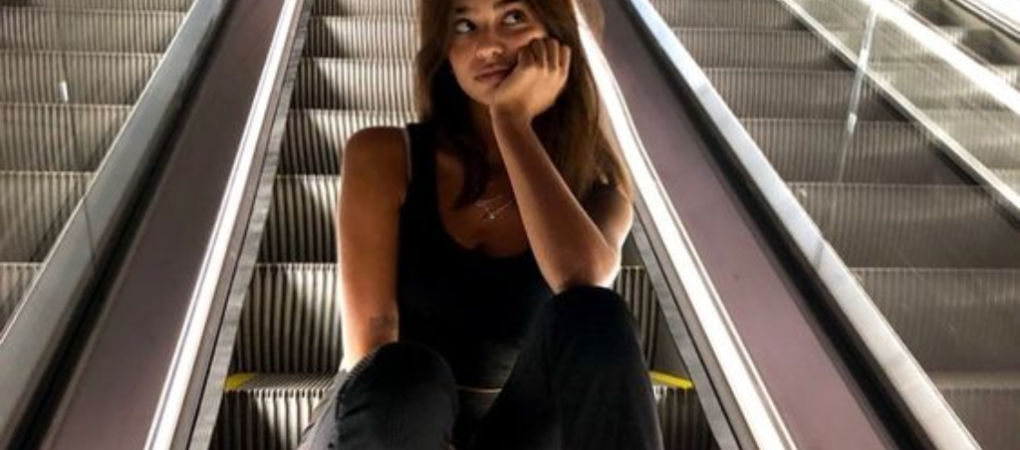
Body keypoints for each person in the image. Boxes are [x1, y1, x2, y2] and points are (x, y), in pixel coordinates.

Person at [300, 0, 662, 448]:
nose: (489, 46)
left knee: (596, 314)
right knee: (406, 375)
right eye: (465, 25)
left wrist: (511, 122)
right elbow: (371, 337)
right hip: (383, 419)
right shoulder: (384, 156)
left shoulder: (596, 195)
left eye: (513, 17)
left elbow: (581, 282)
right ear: (446, 53)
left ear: (558, 37)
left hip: (506, 431)